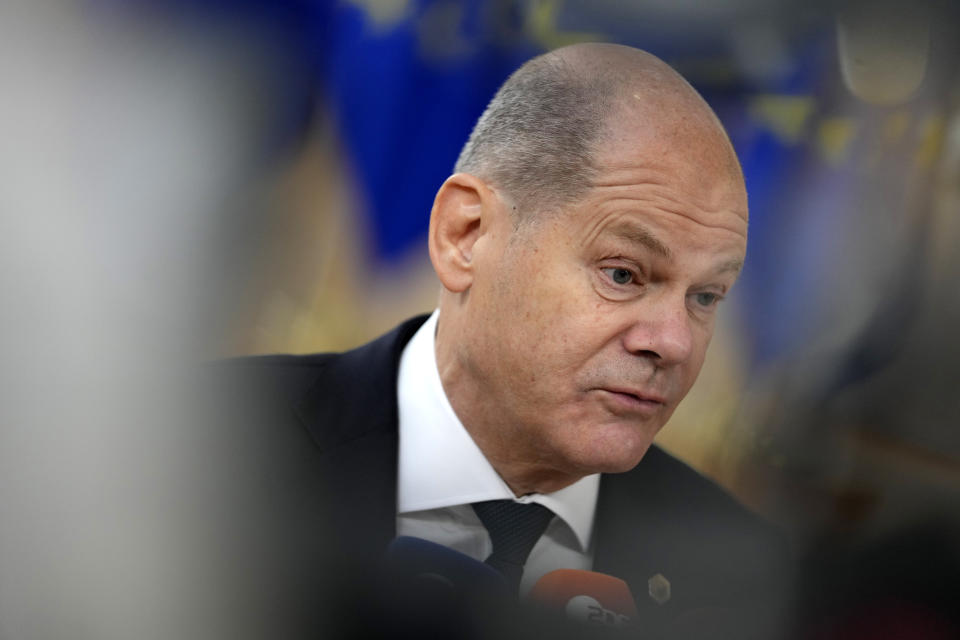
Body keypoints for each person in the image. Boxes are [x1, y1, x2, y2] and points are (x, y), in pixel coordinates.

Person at [207, 43, 788, 639]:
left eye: (705, 297)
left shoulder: (744, 571)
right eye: (623, 274)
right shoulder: (197, 447)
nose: (674, 343)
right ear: (467, 236)